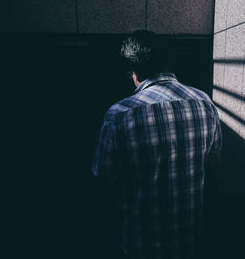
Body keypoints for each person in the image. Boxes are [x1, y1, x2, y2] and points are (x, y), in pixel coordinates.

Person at [92, 30, 222, 259]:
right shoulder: (205, 103)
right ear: (168, 62)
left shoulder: (119, 115)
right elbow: (215, 169)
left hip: (139, 244)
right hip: (189, 240)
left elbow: (104, 185)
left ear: (132, 72)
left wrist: (103, 240)